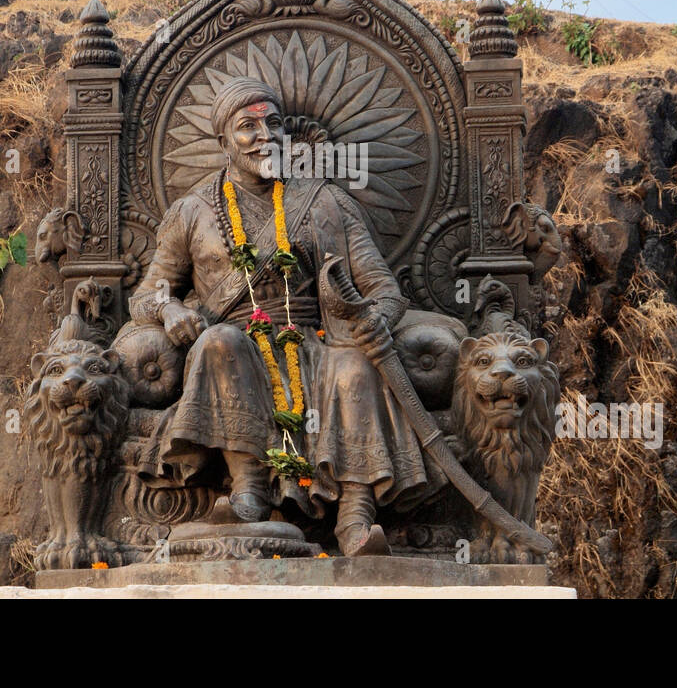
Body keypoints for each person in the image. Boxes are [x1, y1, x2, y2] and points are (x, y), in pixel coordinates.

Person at [130, 76, 444, 555]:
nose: (265, 136)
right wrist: (168, 307)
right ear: (223, 142)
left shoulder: (325, 201)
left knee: (354, 364)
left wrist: (375, 319)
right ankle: (248, 488)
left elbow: (383, 288)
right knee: (218, 344)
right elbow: (144, 296)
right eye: (248, 127)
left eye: (273, 124)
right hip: (238, 343)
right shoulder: (191, 212)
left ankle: (356, 516)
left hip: (315, 343)